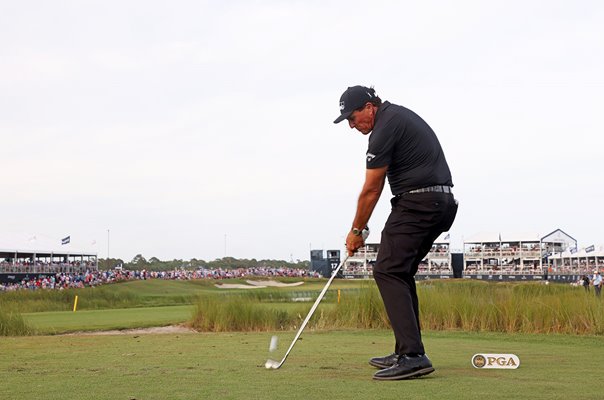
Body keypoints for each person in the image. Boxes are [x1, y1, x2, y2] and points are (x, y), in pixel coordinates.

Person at [334, 85, 458, 380]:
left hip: (419, 203)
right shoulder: (395, 118)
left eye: (352, 118)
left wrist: (356, 230)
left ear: (369, 107)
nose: (352, 126)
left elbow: (371, 189)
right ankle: (407, 350)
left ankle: (413, 356)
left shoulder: (384, 126)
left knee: (387, 271)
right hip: (439, 202)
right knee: (398, 272)